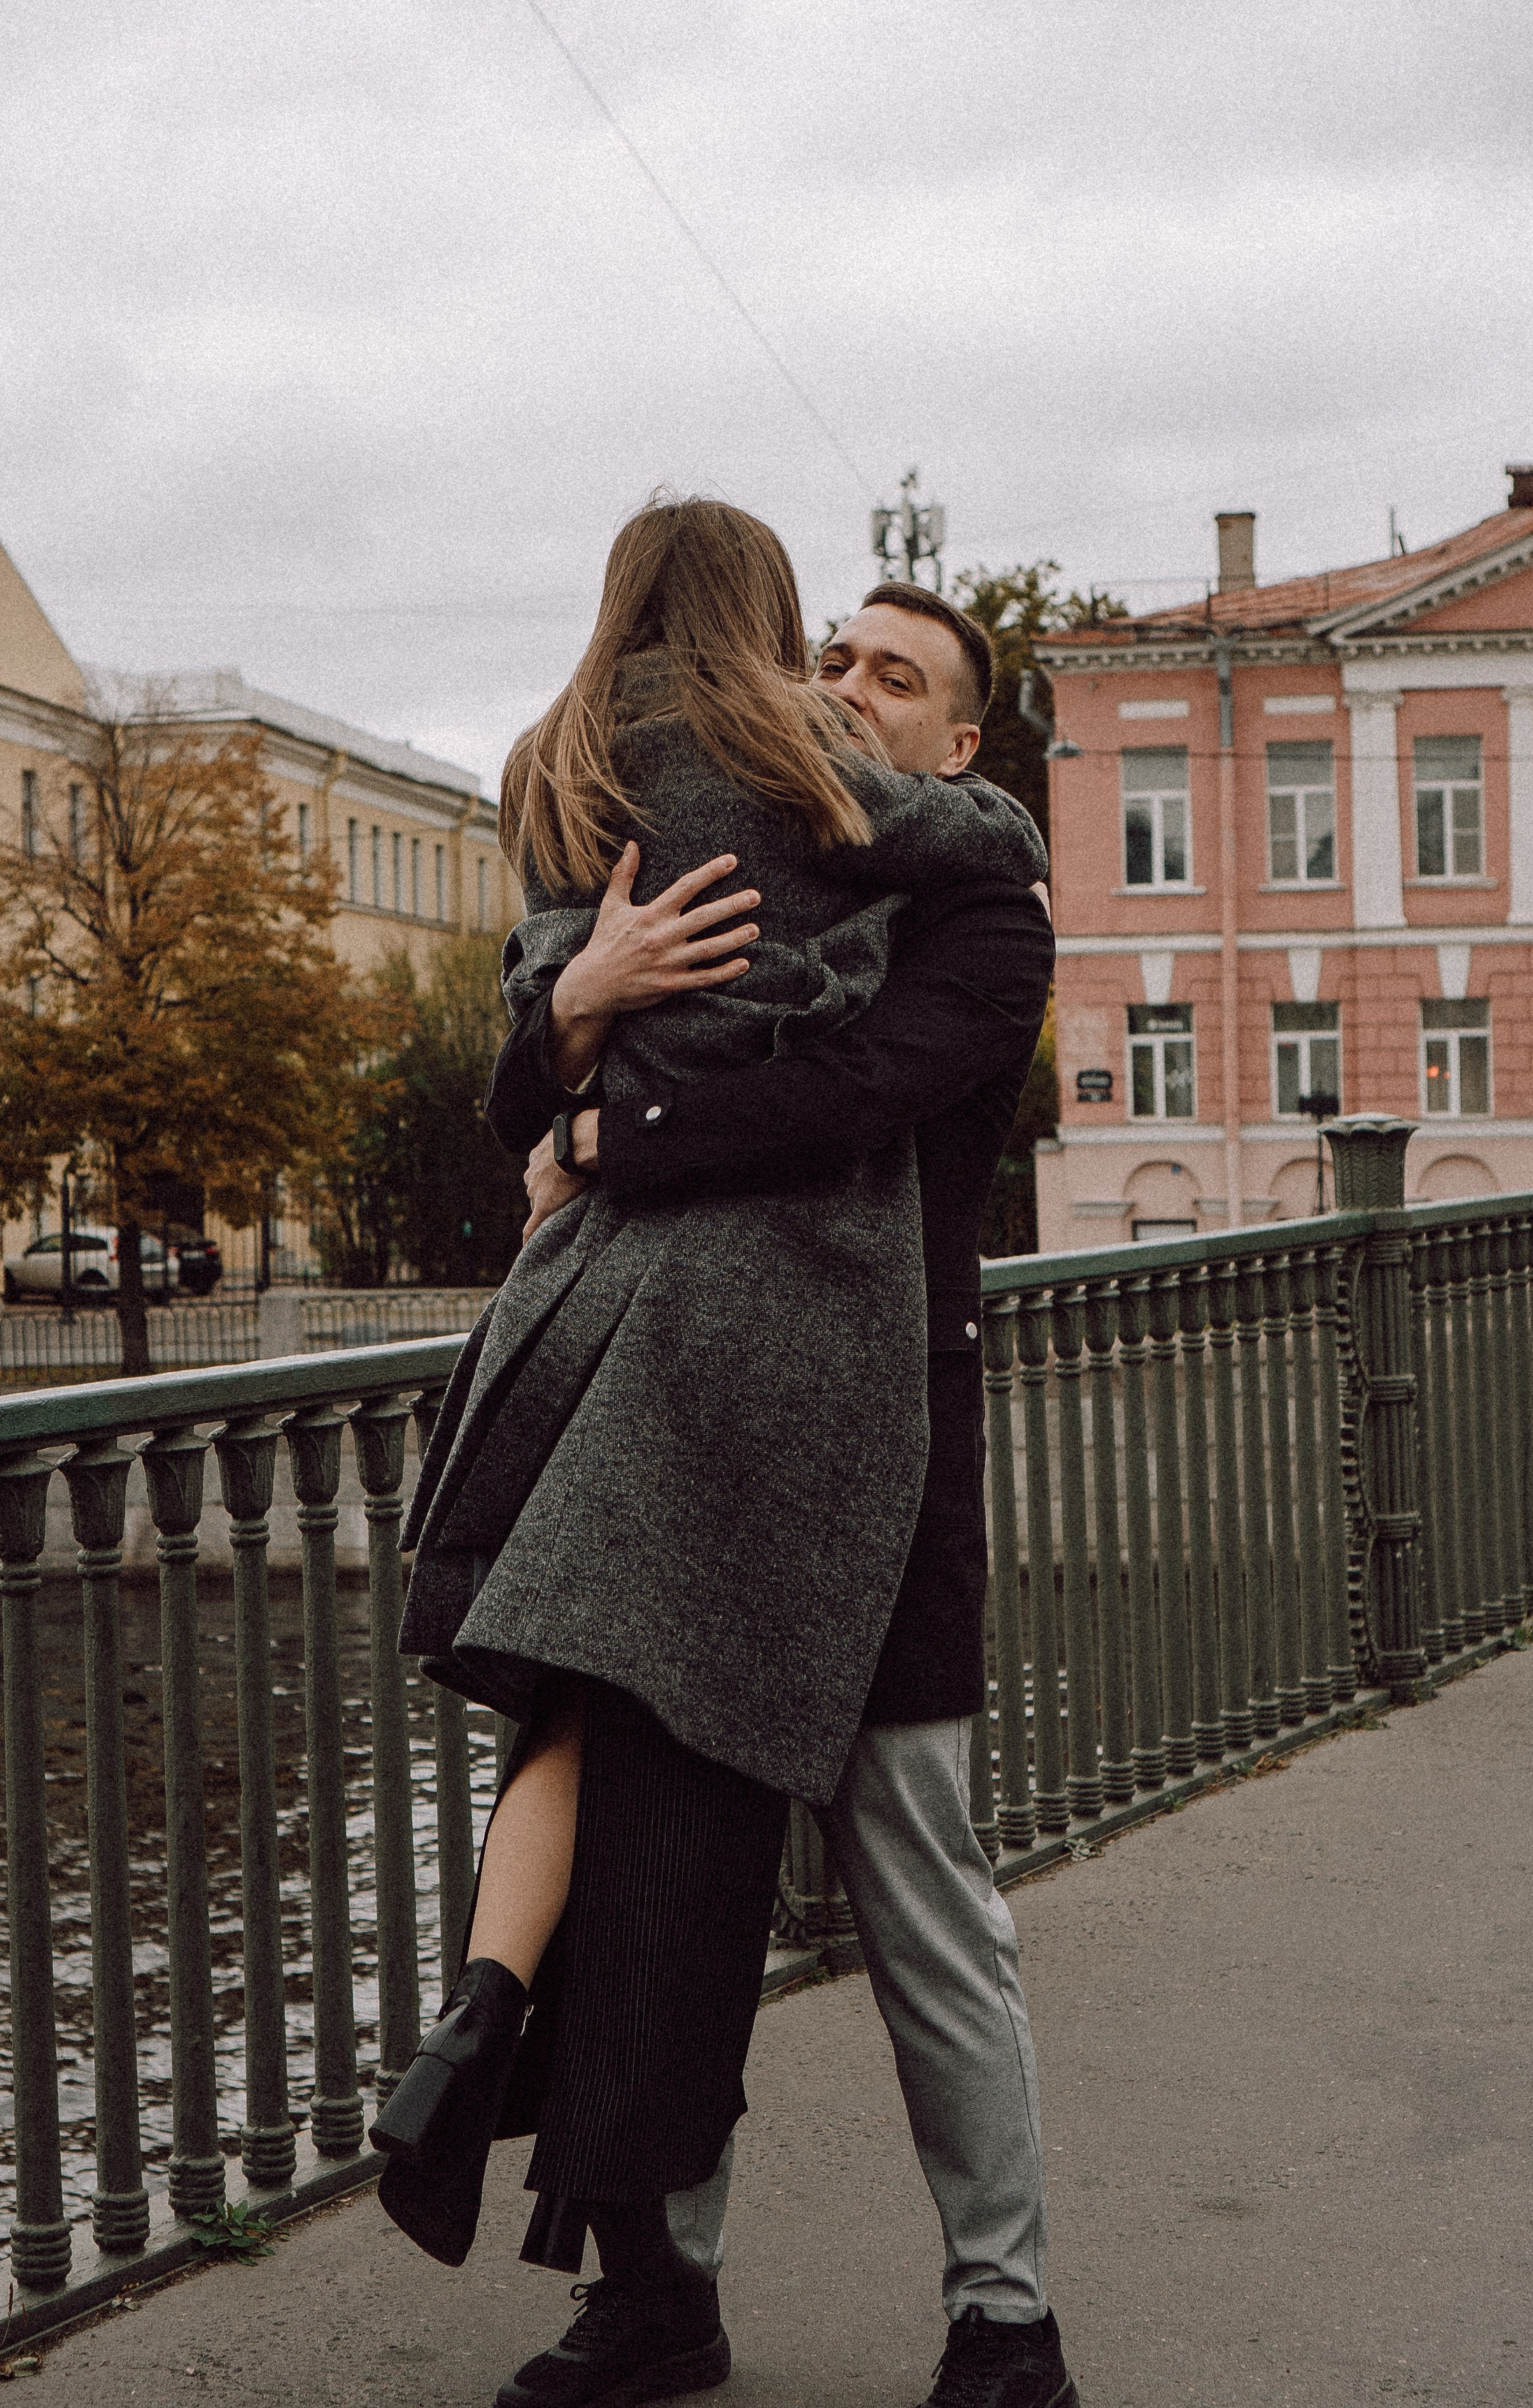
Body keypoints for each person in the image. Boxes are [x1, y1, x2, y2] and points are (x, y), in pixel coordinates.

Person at [369, 500, 1048, 2408]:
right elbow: (518, 1066)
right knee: (671, 1884)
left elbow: (846, 1093)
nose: (839, 692)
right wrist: (578, 1008)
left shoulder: (985, 917)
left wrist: (599, 1133)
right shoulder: (755, 826)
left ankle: (1010, 2316)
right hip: (684, 1429)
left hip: (885, 1455)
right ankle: (656, 2297)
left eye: (889, 679)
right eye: (830, 656)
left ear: (957, 739)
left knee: (924, 1900)